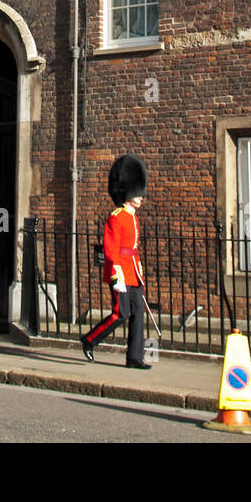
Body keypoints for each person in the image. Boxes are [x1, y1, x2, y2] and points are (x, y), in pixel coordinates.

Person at [80, 153, 151, 369]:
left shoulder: (132, 217)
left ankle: (134, 357)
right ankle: (90, 340)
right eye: (138, 194)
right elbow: (112, 250)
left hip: (133, 273)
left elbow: (133, 250)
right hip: (120, 272)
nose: (141, 197)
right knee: (121, 313)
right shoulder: (116, 217)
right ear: (128, 192)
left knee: (137, 314)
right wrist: (116, 276)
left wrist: (138, 272)